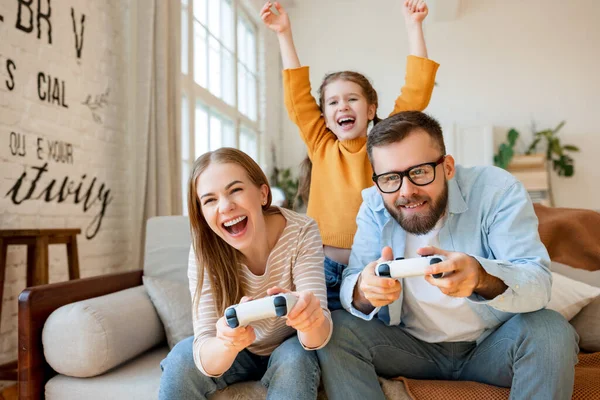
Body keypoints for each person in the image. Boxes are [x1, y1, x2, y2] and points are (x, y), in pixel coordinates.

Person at [317, 111, 579, 400]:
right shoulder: (374, 205)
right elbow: (353, 282)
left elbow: (538, 282)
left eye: (419, 171)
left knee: (551, 330)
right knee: (334, 330)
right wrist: (365, 291)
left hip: (491, 344)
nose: (407, 191)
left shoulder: (497, 191)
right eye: (391, 178)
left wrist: (481, 277)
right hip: (409, 348)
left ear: (448, 167)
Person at [261, 0, 439, 310]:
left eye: (352, 99)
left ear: (371, 110)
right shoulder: (320, 144)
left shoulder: (384, 149)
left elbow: (416, 92)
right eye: (332, 103)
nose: (342, 106)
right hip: (320, 270)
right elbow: (297, 98)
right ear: (325, 117)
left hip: (372, 271)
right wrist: (284, 34)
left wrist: (415, 27)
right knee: (318, 336)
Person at [159, 148, 332, 400]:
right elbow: (207, 352)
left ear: (262, 193)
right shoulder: (203, 250)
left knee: (296, 361)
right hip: (237, 353)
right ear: (202, 213)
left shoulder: (302, 231)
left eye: (235, 190)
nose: (226, 207)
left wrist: (310, 320)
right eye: (209, 200)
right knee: (181, 358)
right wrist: (228, 343)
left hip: (290, 345)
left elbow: (317, 337)